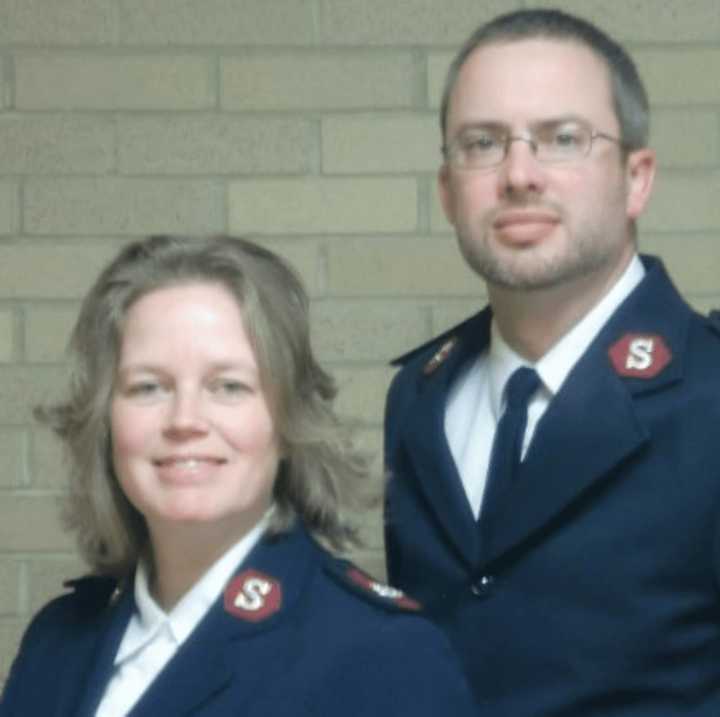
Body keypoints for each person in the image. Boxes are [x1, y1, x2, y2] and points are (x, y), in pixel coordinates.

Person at [384, 7, 720, 717]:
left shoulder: (710, 392)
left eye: (562, 139)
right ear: (446, 190)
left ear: (637, 178)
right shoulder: (419, 397)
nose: (519, 174)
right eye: (482, 143)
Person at [1, 235, 477, 717]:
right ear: (105, 421)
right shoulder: (56, 642)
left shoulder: (386, 656)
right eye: (148, 387)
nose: (185, 420)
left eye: (228, 386)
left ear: (289, 420)